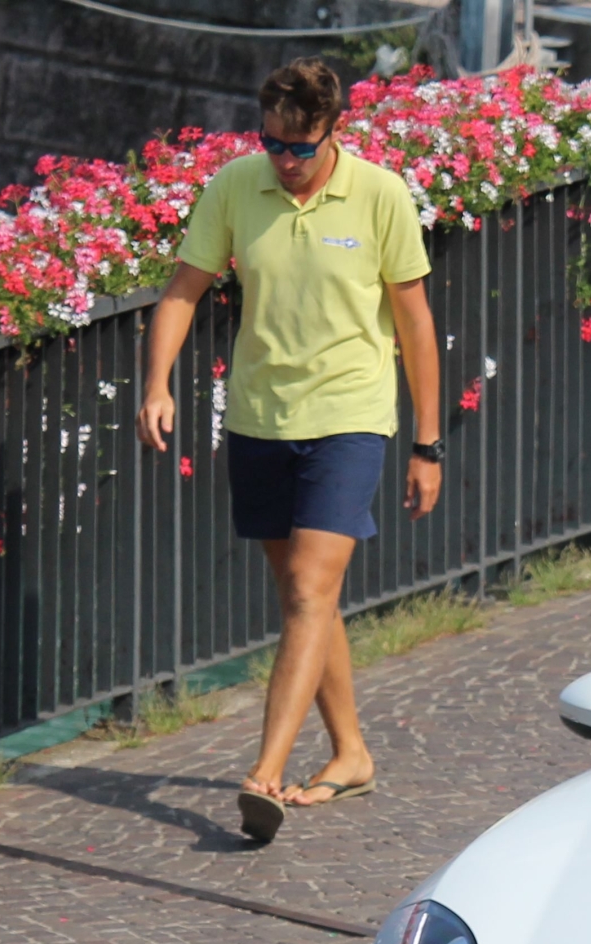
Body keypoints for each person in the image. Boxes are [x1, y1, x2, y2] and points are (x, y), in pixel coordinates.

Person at [138, 57, 443, 844]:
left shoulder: (378, 195)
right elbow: (183, 290)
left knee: (311, 587)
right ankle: (350, 753)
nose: (283, 160)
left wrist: (427, 442)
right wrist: (158, 384)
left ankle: (265, 774)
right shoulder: (236, 187)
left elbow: (414, 325)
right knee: (306, 597)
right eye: (271, 143)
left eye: (297, 149)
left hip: (349, 413)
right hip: (260, 419)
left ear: (330, 133)